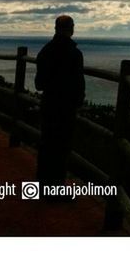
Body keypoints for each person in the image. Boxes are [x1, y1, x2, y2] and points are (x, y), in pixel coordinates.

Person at [35, 15, 85, 194]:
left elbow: (39, 84)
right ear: (70, 28)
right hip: (66, 107)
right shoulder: (74, 53)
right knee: (61, 148)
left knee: (46, 145)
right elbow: (79, 83)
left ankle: (41, 187)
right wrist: (78, 101)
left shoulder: (46, 51)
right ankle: (56, 192)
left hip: (49, 104)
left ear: (56, 28)